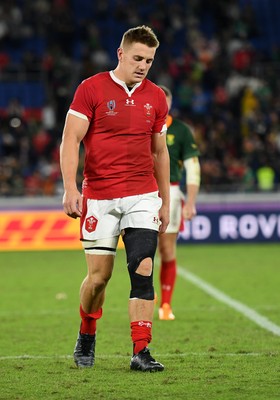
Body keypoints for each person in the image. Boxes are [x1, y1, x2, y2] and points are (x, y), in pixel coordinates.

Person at [60, 26, 170, 372]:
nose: (143, 65)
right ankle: (87, 332)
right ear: (120, 54)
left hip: (142, 195)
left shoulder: (156, 97)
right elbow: (70, 140)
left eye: (149, 60)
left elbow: (160, 153)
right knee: (98, 279)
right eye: (137, 58)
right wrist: (70, 188)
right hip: (100, 197)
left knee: (143, 267)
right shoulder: (90, 89)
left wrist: (164, 200)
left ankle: (141, 350)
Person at [157, 85, 201, 320]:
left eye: (166, 100)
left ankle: (165, 304)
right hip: (140, 192)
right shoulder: (139, 126)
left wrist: (191, 202)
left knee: (166, 249)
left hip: (171, 194)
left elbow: (193, 168)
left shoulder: (182, 131)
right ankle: (146, 294)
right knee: (140, 251)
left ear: (171, 103)